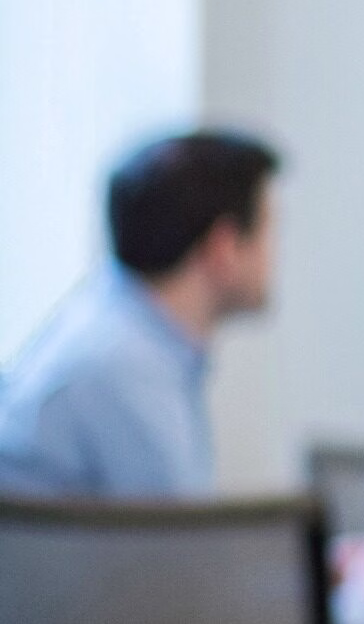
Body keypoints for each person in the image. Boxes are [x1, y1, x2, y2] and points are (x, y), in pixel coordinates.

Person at [0, 131, 279, 498]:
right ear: (224, 248)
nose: (275, 255)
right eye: (269, 230)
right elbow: (180, 549)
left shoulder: (117, 329)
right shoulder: (127, 369)